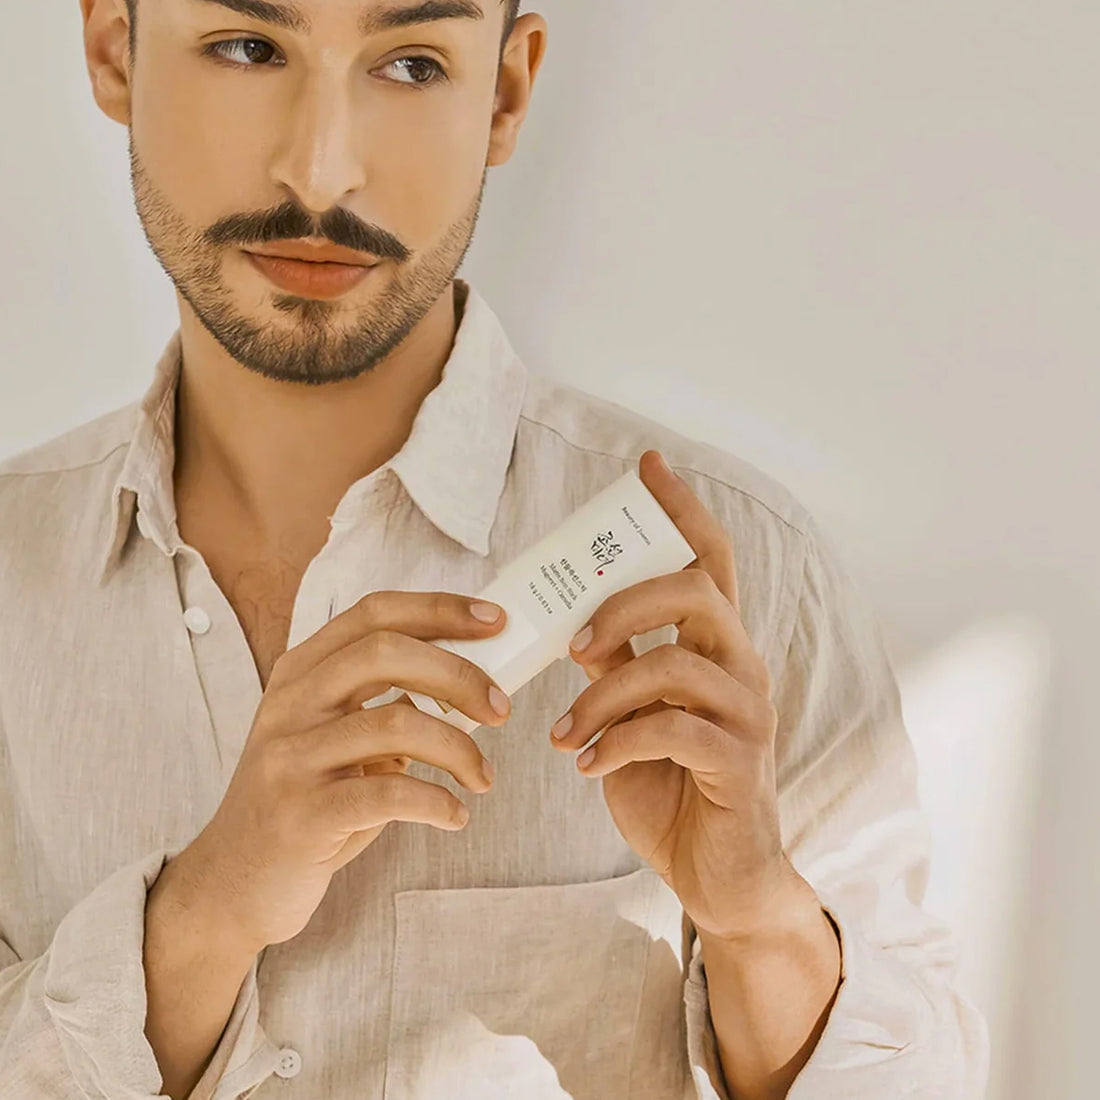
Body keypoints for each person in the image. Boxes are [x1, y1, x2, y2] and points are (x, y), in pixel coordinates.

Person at [0, 1, 989, 1098]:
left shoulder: (744, 572)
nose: (322, 172)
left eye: (411, 63)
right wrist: (201, 915)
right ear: (112, 49)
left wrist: (757, 919)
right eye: (248, 47)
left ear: (506, 92)